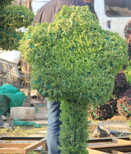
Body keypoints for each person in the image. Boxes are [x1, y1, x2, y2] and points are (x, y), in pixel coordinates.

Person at [33, 0, 97, 153]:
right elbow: (95, 39)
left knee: (54, 117)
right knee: (76, 117)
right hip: (76, 71)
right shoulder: (82, 6)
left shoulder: (43, 9)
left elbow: (32, 42)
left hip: (50, 73)